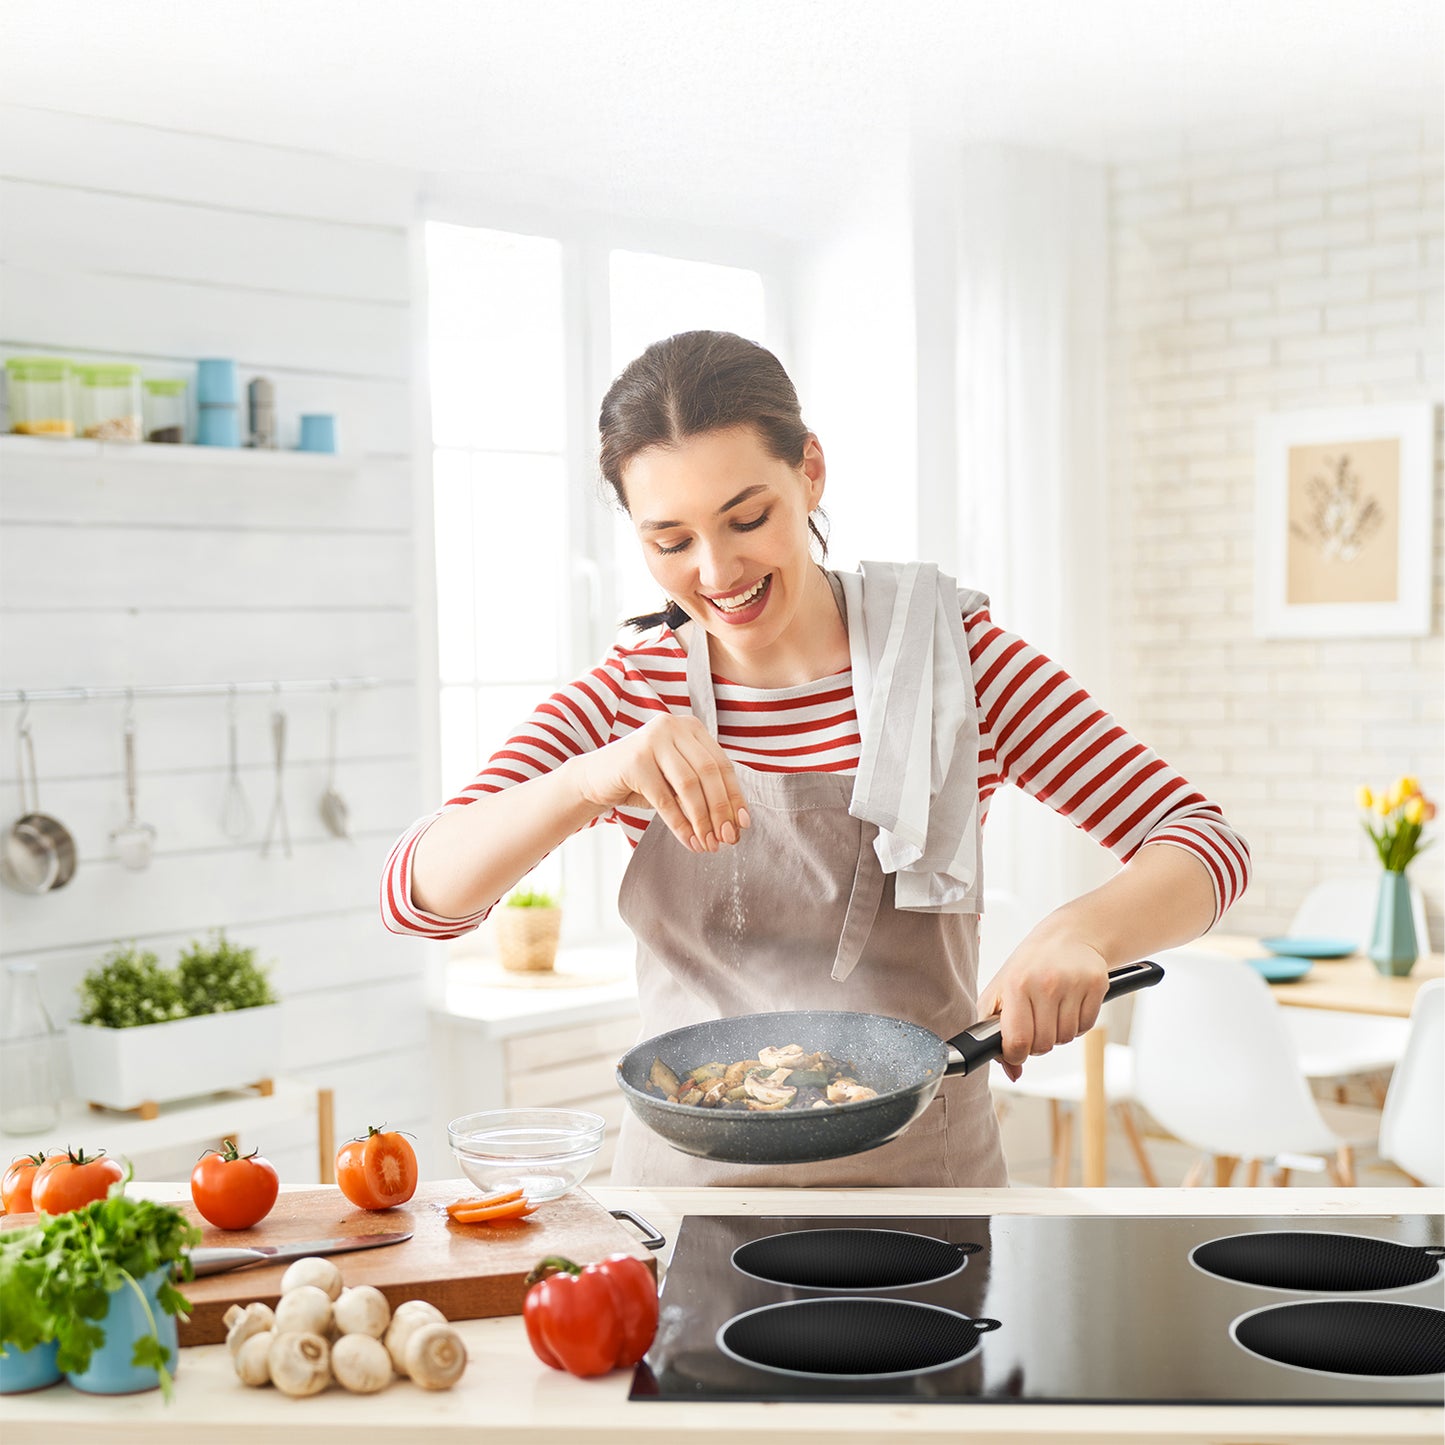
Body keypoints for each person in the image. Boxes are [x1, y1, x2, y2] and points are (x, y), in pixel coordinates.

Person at [382, 330, 1250, 1187]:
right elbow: (416, 896)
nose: (716, 570)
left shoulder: (954, 662)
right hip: (687, 1199)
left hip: (923, 1192)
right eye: (670, 540)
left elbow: (1207, 841)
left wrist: (1080, 931)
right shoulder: (630, 695)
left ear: (811, 472)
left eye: (746, 517)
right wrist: (590, 776)